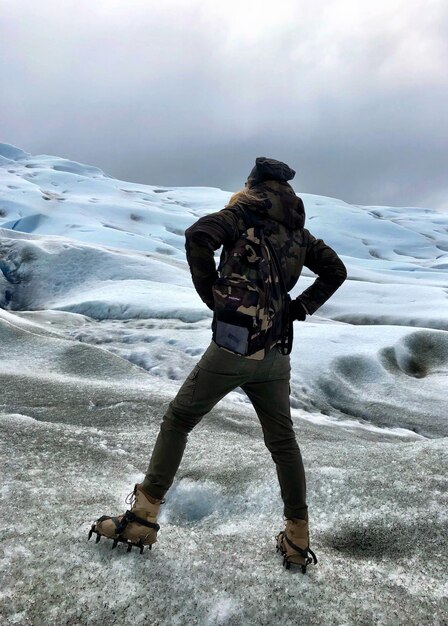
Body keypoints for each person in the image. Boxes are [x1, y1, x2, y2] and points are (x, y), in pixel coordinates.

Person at [90, 157, 347, 571]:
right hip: (276, 354)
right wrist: (299, 308)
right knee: (283, 443)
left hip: (232, 347)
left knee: (178, 419)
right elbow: (336, 270)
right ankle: (297, 538)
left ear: (253, 184)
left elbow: (199, 235)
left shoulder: (242, 213)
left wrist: (211, 292)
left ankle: (142, 517)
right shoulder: (299, 231)